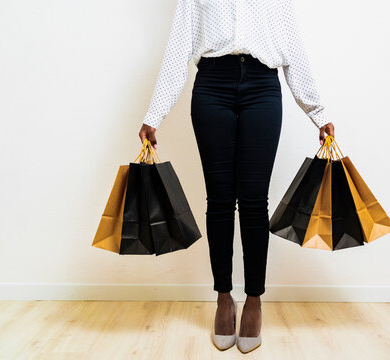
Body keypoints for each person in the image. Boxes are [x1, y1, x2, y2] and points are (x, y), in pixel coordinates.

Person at [138, 0, 335, 353]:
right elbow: (177, 52)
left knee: (255, 201)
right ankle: (224, 298)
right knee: (220, 200)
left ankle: (255, 300)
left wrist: (317, 113)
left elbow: (293, 49)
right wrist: (154, 115)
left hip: (263, 88)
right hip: (212, 87)